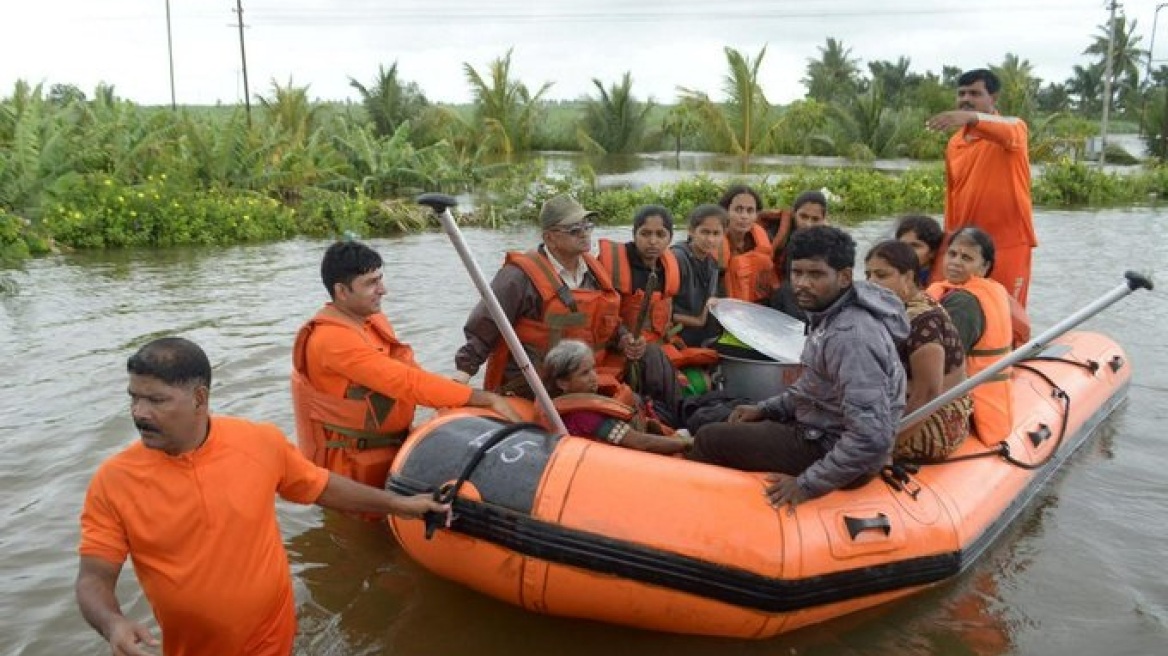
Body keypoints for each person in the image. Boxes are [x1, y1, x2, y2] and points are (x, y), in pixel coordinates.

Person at [76, 337, 449, 656]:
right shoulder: (114, 481)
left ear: (199, 398)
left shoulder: (258, 442)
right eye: (134, 398)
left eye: (156, 400)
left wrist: (402, 505)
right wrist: (112, 623)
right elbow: (93, 578)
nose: (139, 413)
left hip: (273, 640)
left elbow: (323, 487)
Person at [688, 226, 909, 508]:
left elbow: (870, 437)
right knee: (709, 416)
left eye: (815, 275)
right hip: (821, 426)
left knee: (711, 438)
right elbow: (814, 387)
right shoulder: (828, 314)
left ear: (843, 278)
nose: (802, 283)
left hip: (834, 448)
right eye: (797, 273)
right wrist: (765, 409)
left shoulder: (851, 337)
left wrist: (806, 485)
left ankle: (698, 512)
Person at [292, 241, 520, 490]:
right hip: (350, 463)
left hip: (391, 447)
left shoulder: (371, 319)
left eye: (380, 279)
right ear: (342, 291)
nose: (383, 290)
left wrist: (451, 395)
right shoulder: (331, 340)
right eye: (371, 283)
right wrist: (483, 398)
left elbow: (412, 373)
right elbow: (406, 383)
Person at [454, 193, 681, 410]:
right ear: (550, 238)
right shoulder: (518, 277)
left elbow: (610, 322)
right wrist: (461, 377)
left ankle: (678, 422)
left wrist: (625, 340)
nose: (583, 234)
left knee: (652, 357)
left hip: (584, 375)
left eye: (586, 227)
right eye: (574, 230)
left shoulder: (595, 271)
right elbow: (485, 327)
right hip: (539, 382)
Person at [927, 68, 1037, 307]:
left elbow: (1009, 127)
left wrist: (971, 119)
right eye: (962, 93)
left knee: (1008, 314)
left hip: (1007, 244)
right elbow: (953, 197)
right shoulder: (955, 142)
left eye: (975, 93)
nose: (966, 99)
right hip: (966, 245)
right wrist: (948, 245)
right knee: (955, 305)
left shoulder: (1014, 130)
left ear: (993, 98)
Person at [865, 240, 971, 461]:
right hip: (899, 400)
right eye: (868, 276)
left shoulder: (923, 322)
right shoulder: (894, 308)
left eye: (882, 276)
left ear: (908, 277)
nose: (872, 283)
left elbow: (928, 395)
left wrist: (884, 450)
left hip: (935, 418)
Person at [925, 227, 1015, 443]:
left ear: (984, 267)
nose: (956, 262)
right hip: (989, 402)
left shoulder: (964, 303)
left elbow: (942, 365)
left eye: (966, 258)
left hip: (972, 405)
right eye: (952, 254)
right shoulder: (986, 291)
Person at [541, 339, 690, 455]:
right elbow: (640, 443)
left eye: (593, 369)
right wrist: (687, 443)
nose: (594, 377)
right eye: (584, 373)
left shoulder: (569, 406)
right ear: (562, 383)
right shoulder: (583, 416)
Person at [670, 203, 727, 347]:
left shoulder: (713, 264)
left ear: (723, 235)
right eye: (705, 232)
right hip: (678, 334)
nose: (710, 239)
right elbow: (662, 310)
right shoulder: (676, 258)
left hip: (704, 334)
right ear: (691, 231)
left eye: (716, 233)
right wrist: (699, 320)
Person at [770, 190, 830, 324]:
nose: (808, 224)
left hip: (813, 295)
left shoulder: (831, 243)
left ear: (824, 220)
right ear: (793, 214)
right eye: (803, 216)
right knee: (786, 290)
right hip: (781, 293)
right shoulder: (775, 233)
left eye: (815, 219)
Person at [718, 185, 777, 303]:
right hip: (721, 307)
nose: (744, 216)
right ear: (725, 212)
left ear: (756, 215)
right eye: (738, 210)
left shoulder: (761, 240)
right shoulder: (713, 241)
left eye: (750, 211)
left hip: (756, 308)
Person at [895, 214, 946, 289]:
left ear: (932, 252)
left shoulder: (940, 281)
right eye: (902, 245)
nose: (906, 250)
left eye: (915, 246)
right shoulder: (889, 273)